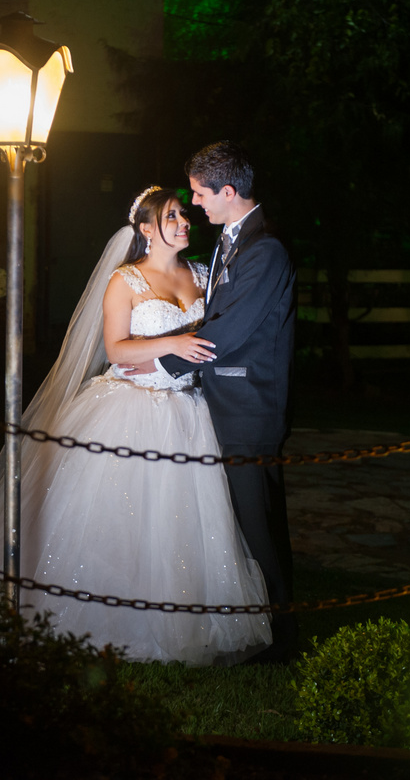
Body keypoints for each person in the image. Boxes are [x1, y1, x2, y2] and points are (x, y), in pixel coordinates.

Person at [0, 187, 272, 667]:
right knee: (119, 517)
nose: (184, 223)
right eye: (172, 216)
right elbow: (117, 350)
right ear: (144, 230)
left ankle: (181, 615)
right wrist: (174, 344)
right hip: (129, 411)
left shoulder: (202, 273)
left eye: (183, 215)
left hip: (189, 411)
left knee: (184, 521)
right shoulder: (126, 280)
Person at [133, 141, 298, 662]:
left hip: (250, 406)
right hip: (224, 402)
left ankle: (281, 639)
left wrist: (162, 366)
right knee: (241, 523)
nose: (197, 205)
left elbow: (229, 331)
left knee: (258, 523)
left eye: (202, 194)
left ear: (229, 192)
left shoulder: (265, 249)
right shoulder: (233, 240)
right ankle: (260, 626)